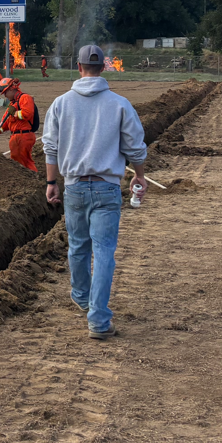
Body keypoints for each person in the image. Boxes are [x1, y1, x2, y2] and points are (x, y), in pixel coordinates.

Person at [42, 44, 148, 341]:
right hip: (107, 188)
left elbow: (50, 147)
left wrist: (52, 183)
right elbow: (135, 148)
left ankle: (81, 296)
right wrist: (138, 175)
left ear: (78, 67)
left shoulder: (61, 104)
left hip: (74, 186)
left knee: (78, 246)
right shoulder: (120, 104)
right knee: (104, 253)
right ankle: (98, 319)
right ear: (103, 67)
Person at [0, 77, 38, 172]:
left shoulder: (25, 98)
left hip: (23, 136)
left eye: (5, 92)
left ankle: (34, 181)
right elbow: (5, 122)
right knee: (21, 163)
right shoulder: (12, 104)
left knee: (23, 164)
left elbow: (27, 113)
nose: (5, 95)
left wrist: (15, 113)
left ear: (11, 88)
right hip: (17, 137)